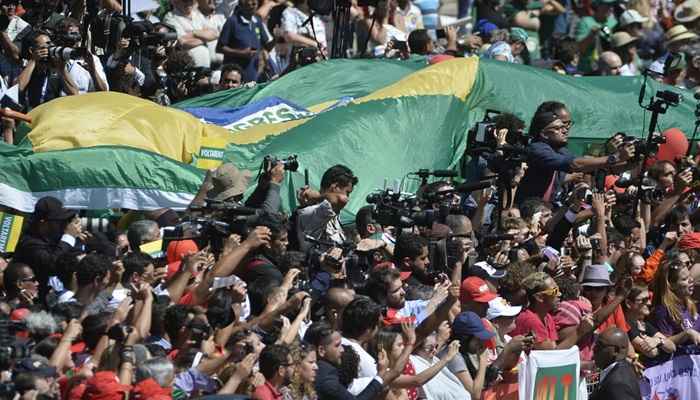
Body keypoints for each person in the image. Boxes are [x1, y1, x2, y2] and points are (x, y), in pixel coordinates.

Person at [515, 101, 635, 204]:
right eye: (561, 125)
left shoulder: (560, 150)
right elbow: (575, 165)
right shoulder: (538, 149)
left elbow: (591, 167)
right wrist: (615, 157)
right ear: (544, 132)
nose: (566, 129)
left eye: (568, 124)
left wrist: (629, 164)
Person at [13, 197, 83, 299]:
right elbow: (52, 265)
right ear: (43, 222)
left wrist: (78, 240)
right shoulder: (30, 243)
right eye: (59, 221)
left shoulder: (54, 238)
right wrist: (69, 237)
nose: (64, 224)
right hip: (31, 301)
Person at [295, 165, 358, 250]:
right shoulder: (314, 212)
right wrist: (317, 196)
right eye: (347, 192)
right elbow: (341, 199)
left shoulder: (333, 216)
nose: (347, 197)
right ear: (335, 187)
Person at [17, 31, 78, 109]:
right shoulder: (24, 67)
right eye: (44, 47)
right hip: (28, 114)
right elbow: (18, 89)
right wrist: (33, 60)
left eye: (50, 46)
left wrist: (62, 69)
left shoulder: (55, 70)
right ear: (32, 50)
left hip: (49, 115)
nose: (48, 50)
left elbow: (74, 93)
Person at [217, 0, 273, 83]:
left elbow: (267, 46)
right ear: (241, 5)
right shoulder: (232, 21)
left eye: (255, 3)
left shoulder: (257, 21)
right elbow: (220, 48)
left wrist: (277, 37)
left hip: (253, 75)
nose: (253, 4)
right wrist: (241, 53)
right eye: (249, 3)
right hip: (233, 78)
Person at [55, 17, 109, 93]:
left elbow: (103, 91)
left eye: (76, 34)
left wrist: (92, 71)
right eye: (70, 34)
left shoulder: (90, 59)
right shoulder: (53, 55)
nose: (74, 38)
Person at [590, 327, 642, 400]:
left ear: (616, 350)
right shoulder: (622, 369)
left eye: (600, 345)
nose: (594, 349)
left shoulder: (618, 384)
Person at [164, 0, 217, 68]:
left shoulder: (196, 14)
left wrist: (193, 33)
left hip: (213, 60)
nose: (189, 3)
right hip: (189, 61)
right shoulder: (170, 17)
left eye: (191, 1)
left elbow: (214, 33)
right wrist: (205, 37)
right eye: (185, 1)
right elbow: (182, 42)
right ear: (175, 2)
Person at [574, 0, 618, 74]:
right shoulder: (585, 22)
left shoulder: (614, 23)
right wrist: (591, 35)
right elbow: (580, 49)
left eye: (611, 6)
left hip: (609, 72)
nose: (610, 8)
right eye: (607, 5)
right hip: (588, 71)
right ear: (597, 5)